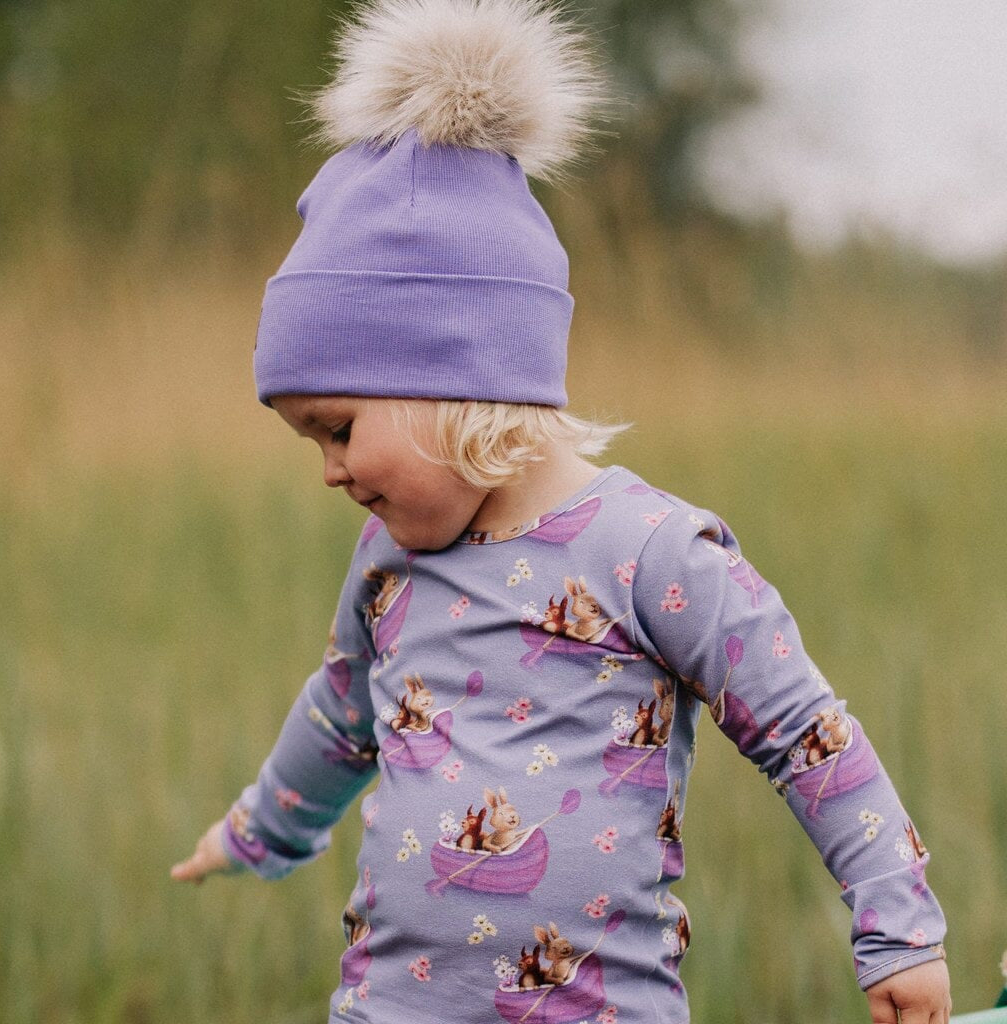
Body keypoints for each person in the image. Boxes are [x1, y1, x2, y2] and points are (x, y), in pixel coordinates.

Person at [171, 1, 952, 1021]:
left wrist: (898, 931)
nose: (330, 470)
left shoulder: (652, 554)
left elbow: (808, 734)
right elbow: (339, 716)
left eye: (339, 428)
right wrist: (257, 831)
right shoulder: (385, 564)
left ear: (454, 373)